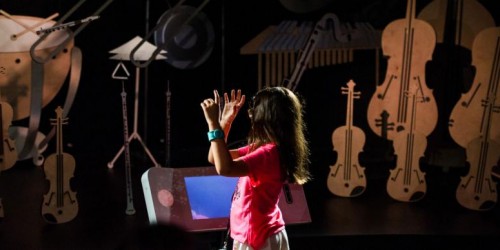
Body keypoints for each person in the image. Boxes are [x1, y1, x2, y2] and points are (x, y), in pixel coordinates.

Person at [200, 87, 311, 250]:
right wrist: (225, 123)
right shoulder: (268, 149)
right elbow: (214, 158)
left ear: (265, 116)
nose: (251, 113)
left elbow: (225, 168)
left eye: (255, 108)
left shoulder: (267, 154)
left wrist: (213, 124)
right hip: (262, 233)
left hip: (257, 239)